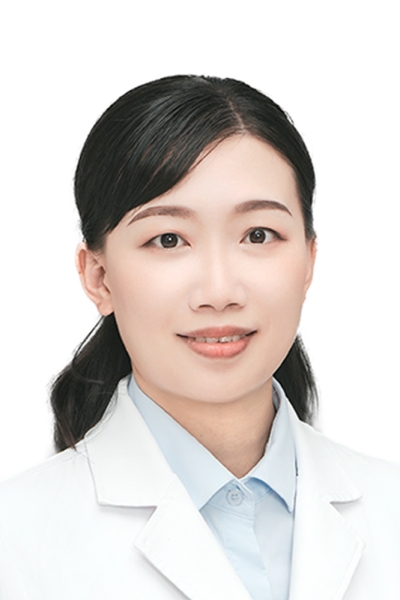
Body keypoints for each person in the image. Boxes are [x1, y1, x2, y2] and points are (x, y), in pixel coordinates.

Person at [0, 75, 399, 600]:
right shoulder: (15, 540)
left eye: (258, 235)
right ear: (98, 277)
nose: (219, 291)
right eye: (168, 239)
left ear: (308, 261)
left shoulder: (389, 506)